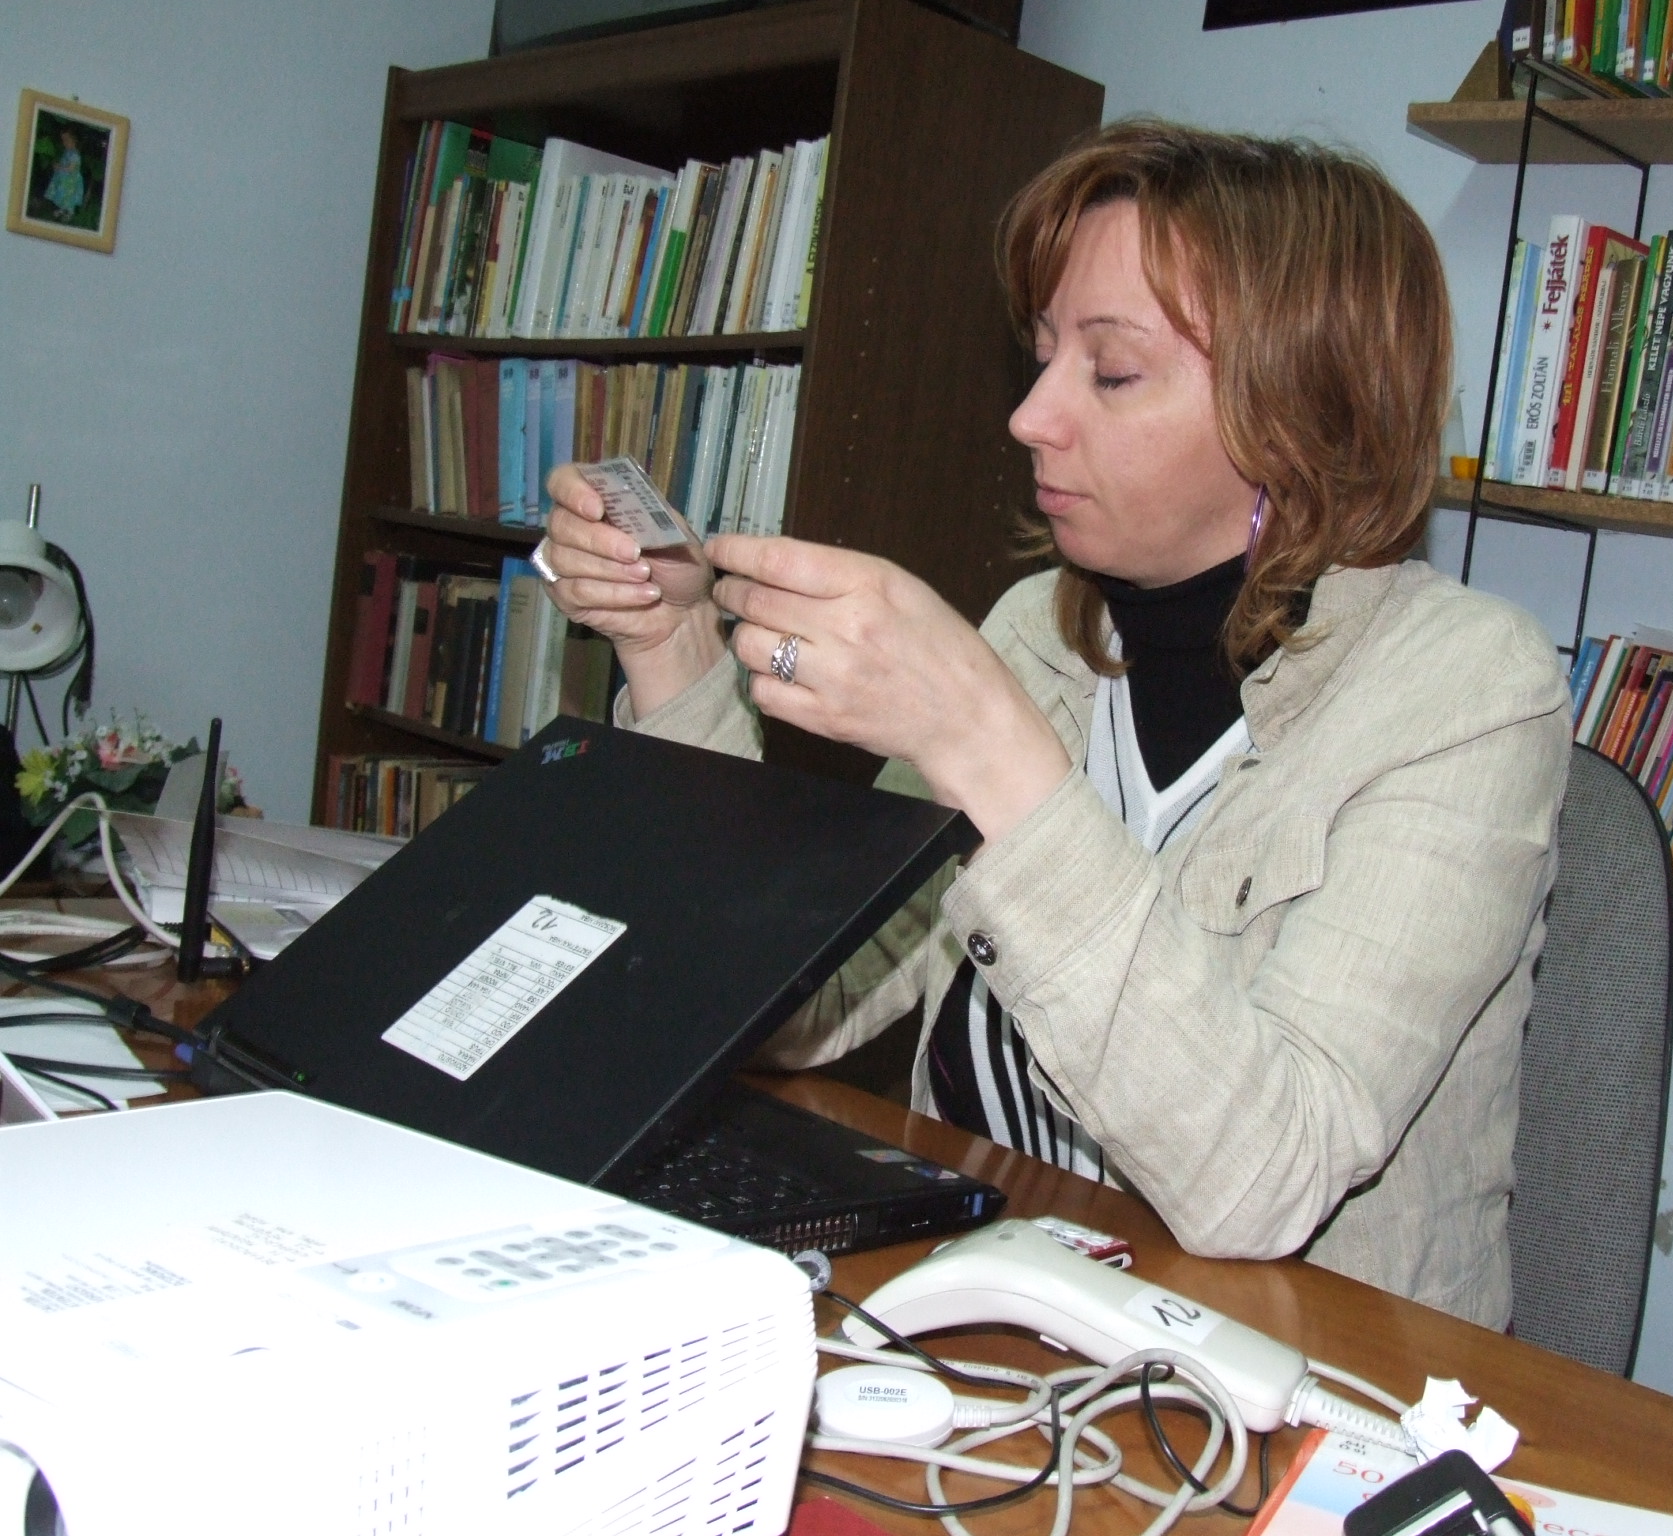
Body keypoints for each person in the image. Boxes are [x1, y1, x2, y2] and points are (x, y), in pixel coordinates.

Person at [534, 121, 1570, 1329]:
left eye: (1110, 372)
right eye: (1040, 359)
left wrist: (984, 745)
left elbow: (1265, 1181)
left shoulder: (1467, 690)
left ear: (1298, 411)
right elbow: (800, 1006)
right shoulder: (1036, 629)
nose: (1030, 416)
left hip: (1293, 1371)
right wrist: (673, 646)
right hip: (989, 1304)